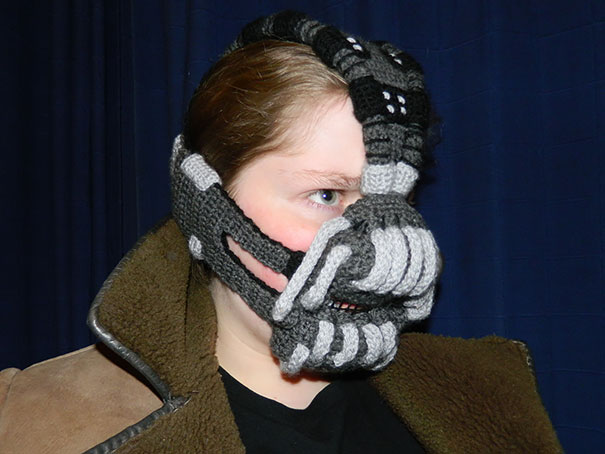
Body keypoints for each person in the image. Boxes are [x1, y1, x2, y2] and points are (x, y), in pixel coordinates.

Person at [0, 11, 561, 453]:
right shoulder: (35, 420)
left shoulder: (495, 392)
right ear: (203, 198)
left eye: (397, 202)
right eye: (327, 195)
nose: (382, 249)